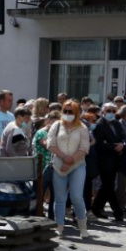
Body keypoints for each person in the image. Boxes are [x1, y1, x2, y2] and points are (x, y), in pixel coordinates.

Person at [47, 100, 92, 237]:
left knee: (76, 196)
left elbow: (85, 148)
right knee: (60, 198)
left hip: (77, 165)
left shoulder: (82, 128)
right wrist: (63, 157)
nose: (67, 114)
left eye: (70, 111)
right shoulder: (56, 125)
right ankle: (59, 226)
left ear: (77, 113)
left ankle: (82, 226)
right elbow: (50, 144)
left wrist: (71, 160)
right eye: (65, 111)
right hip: (59, 164)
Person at [91, 102, 126, 222]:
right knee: (109, 186)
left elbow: (124, 138)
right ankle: (117, 212)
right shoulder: (99, 125)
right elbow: (100, 144)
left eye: (113, 110)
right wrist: (114, 146)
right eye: (108, 110)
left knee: (107, 185)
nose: (111, 113)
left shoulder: (117, 124)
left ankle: (96, 208)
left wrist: (123, 144)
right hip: (104, 160)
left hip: (116, 159)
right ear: (103, 112)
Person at [33, 112, 60, 216]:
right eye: (54, 121)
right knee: (40, 193)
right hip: (42, 167)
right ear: (48, 120)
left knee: (54, 194)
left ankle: (52, 216)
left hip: (54, 167)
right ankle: (37, 215)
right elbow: (46, 145)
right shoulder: (41, 132)